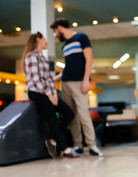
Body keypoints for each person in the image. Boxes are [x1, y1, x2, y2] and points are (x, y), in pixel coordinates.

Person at [22, 32, 80, 158]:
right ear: (38, 39)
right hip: (36, 92)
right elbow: (36, 79)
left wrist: (54, 92)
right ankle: (65, 149)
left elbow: (49, 79)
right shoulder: (31, 56)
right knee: (52, 117)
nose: (46, 42)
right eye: (44, 39)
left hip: (48, 92)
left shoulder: (43, 58)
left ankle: (52, 137)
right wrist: (49, 94)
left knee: (69, 113)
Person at [50, 18, 103, 156]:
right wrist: (53, 78)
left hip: (79, 82)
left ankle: (92, 146)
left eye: (55, 31)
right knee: (72, 116)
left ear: (60, 27)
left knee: (84, 114)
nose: (55, 35)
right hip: (65, 83)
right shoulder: (64, 46)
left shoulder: (81, 37)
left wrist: (86, 80)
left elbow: (89, 59)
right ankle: (78, 145)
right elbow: (68, 68)